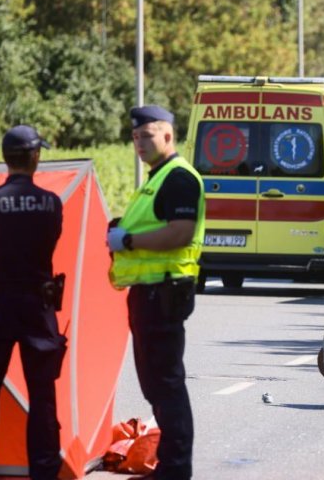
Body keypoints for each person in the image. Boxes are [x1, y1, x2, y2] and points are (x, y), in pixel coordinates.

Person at [0, 125, 65, 479]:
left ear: (6, 158)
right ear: (35, 157)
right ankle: (45, 473)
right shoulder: (52, 203)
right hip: (38, 306)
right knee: (43, 397)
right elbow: (47, 242)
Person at [107, 105, 205, 479]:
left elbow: (180, 231)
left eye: (146, 136)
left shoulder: (178, 177)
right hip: (148, 293)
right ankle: (169, 464)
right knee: (155, 385)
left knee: (166, 385)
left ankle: (176, 469)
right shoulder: (156, 178)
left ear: (167, 135)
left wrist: (128, 239)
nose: (139, 144)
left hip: (164, 293)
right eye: (134, 138)